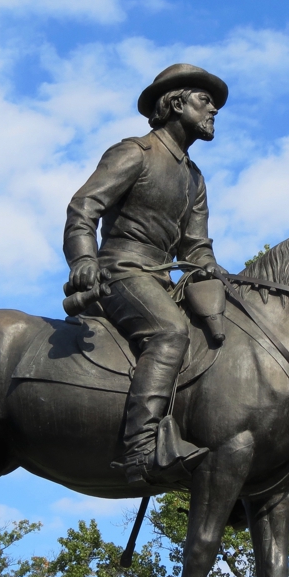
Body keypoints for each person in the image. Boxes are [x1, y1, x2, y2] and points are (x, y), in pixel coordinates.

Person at [64, 64, 229, 484]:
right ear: (176, 103)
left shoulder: (194, 178)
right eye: (204, 100)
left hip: (162, 280)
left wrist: (211, 268)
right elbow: (83, 209)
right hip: (120, 271)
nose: (214, 110)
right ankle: (140, 449)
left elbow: (195, 246)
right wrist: (84, 259)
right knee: (170, 333)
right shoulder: (134, 153)